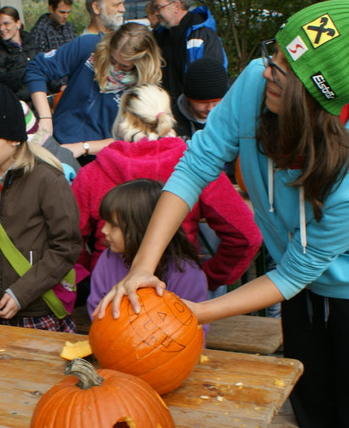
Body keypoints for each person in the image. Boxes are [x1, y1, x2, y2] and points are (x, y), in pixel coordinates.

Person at [97, 0, 349, 428]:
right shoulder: (255, 83)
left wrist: (194, 314)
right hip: (297, 287)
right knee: (314, 421)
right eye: (276, 54)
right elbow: (196, 165)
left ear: (318, 93)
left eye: (286, 70)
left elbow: (295, 273)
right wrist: (142, 266)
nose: (269, 70)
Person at [72, 84, 261, 292]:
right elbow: (246, 236)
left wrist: (91, 276)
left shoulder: (92, 174)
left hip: (111, 290)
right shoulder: (197, 167)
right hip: (180, 290)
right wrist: (207, 278)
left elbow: (69, 239)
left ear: (122, 119)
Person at [0, 84, 82, 332]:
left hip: (36, 309)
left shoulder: (48, 180)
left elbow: (67, 247)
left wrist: (21, 293)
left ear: (14, 139)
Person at [26, 22, 162, 160]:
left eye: (124, 66)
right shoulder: (89, 46)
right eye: (112, 60)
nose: (115, 69)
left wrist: (83, 147)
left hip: (99, 157)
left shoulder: (145, 91)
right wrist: (45, 118)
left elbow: (130, 139)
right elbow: (37, 68)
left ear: (141, 63)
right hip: (55, 138)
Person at [87, 179, 207, 326]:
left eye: (114, 225)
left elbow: (194, 327)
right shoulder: (107, 259)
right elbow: (96, 308)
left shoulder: (186, 272)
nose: (104, 230)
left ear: (141, 228)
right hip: (112, 337)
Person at [147, 0, 227, 103]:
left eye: (159, 7)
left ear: (176, 6)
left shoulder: (202, 34)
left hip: (194, 107)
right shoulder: (160, 35)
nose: (156, 13)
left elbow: (213, 78)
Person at [0, 6, 41, 102]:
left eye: (6, 24)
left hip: (42, 94)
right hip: (20, 102)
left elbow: (45, 66)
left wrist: (59, 85)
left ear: (18, 23)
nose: (1, 28)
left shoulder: (31, 41)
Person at [174, 57, 229, 139]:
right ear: (188, 98)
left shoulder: (233, 119)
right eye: (203, 102)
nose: (210, 108)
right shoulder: (171, 122)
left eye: (216, 102)